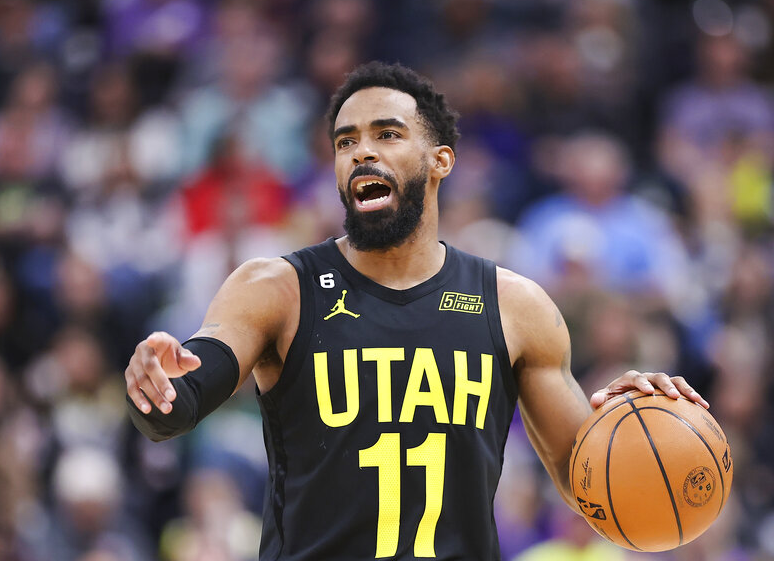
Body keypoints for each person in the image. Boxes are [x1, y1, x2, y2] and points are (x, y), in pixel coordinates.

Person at [124, 62, 707, 560]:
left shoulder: (515, 306)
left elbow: (595, 487)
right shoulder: (277, 286)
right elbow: (186, 393)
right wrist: (160, 381)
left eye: (387, 133)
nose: (362, 152)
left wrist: (635, 424)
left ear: (441, 161)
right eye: (346, 141)